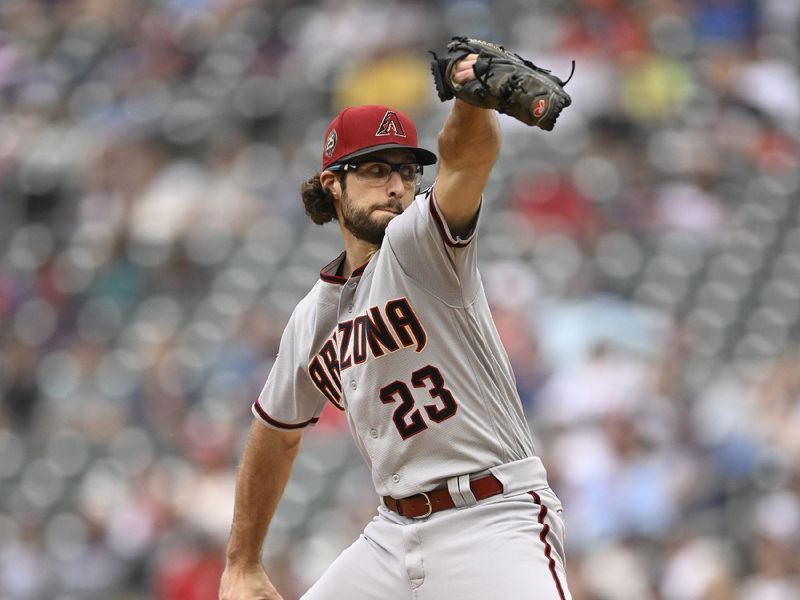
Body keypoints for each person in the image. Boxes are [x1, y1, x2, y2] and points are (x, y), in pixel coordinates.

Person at [219, 54, 571, 600]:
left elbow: (464, 164)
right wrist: (242, 562)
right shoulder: (314, 317)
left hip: (490, 519)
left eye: (407, 172)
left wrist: (468, 101)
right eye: (375, 169)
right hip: (392, 534)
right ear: (332, 185)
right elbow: (274, 435)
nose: (396, 187)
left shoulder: (419, 245)